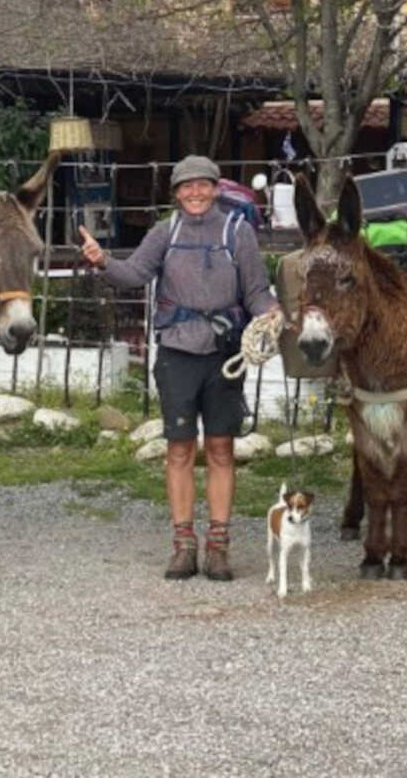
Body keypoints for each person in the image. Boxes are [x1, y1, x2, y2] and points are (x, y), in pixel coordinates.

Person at [79, 155, 279, 581]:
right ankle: (184, 544)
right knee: (180, 449)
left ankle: (219, 546)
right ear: (176, 193)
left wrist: (274, 316)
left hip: (225, 355)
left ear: (215, 188)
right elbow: (134, 273)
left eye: (202, 185)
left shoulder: (237, 232)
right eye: (186, 186)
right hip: (176, 353)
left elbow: (257, 291)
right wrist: (102, 261)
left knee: (222, 449)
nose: (195, 193)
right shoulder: (164, 232)